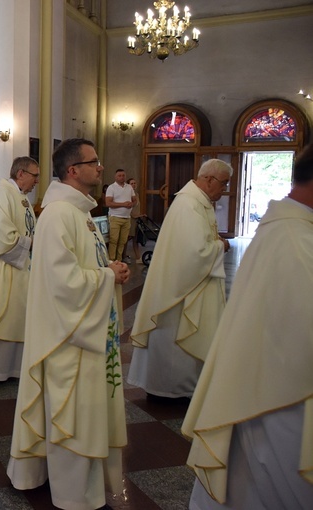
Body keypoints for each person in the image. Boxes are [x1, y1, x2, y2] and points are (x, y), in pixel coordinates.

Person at [182, 144, 313, 509]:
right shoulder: (296, 243)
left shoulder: (290, 232)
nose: (224, 191)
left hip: (267, 398)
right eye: (221, 184)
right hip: (278, 408)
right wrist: (215, 248)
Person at [8, 138, 129, 510]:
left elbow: (83, 269)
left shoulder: (78, 213)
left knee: (84, 413)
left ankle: (83, 488)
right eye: (94, 162)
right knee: (72, 416)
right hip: (70, 338)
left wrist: (108, 272)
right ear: (73, 171)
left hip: (84, 333)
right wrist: (107, 275)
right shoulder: (61, 215)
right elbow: (63, 283)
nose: (101, 168)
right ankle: (74, 495)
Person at [128, 159, 233, 399]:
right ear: (208, 179)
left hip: (188, 285)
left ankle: (182, 386)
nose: (224, 189)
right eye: (223, 183)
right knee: (174, 339)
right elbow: (194, 254)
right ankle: (170, 389)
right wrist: (220, 246)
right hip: (180, 290)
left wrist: (216, 245)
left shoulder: (199, 201)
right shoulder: (189, 205)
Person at [0, 157, 38, 381]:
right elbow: (2, 237)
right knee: (4, 318)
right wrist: (34, 242)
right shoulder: (2, 195)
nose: (36, 181)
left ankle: (13, 369)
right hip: (6, 269)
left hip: (21, 269)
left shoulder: (20, 197)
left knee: (18, 318)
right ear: (21, 173)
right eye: (35, 175)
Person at [105, 168, 136, 261]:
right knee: (114, 241)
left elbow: (134, 199)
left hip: (126, 218)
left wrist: (132, 204)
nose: (122, 177)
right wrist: (123, 204)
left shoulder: (129, 187)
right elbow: (108, 203)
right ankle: (112, 260)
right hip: (115, 217)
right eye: (120, 175)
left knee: (123, 241)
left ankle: (119, 260)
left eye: (123, 175)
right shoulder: (111, 188)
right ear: (115, 177)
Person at [125, 177, 144, 263]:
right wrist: (135, 215)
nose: (133, 185)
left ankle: (138, 257)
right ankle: (123, 255)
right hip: (131, 219)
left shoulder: (136, 194)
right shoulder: (128, 195)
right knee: (127, 238)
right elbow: (129, 208)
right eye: (131, 183)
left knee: (135, 239)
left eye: (134, 183)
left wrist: (140, 215)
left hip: (136, 219)